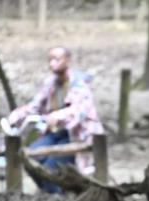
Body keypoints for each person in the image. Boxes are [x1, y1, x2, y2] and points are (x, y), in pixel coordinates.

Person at [6, 46, 103, 193]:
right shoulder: (50, 83)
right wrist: (17, 115)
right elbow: (35, 105)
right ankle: (48, 191)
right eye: (50, 60)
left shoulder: (80, 84)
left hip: (75, 134)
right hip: (53, 132)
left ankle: (56, 194)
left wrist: (59, 116)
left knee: (51, 165)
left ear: (67, 61)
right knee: (29, 157)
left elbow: (78, 111)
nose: (52, 63)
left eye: (56, 59)